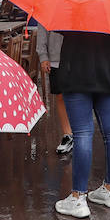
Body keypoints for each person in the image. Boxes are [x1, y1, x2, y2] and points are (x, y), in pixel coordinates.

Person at [53, 10, 110, 219]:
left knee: (82, 134)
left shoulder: (76, 2)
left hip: (77, 73)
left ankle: (78, 198)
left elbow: (59, 27)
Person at [36, 24, 72, 155]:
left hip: (78, 57)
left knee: (79, 96)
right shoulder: (47, 11)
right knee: (60, 95)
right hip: (56, 58)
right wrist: (43, 56)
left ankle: (80, 133)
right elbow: (42, 30)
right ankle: (68, 134)